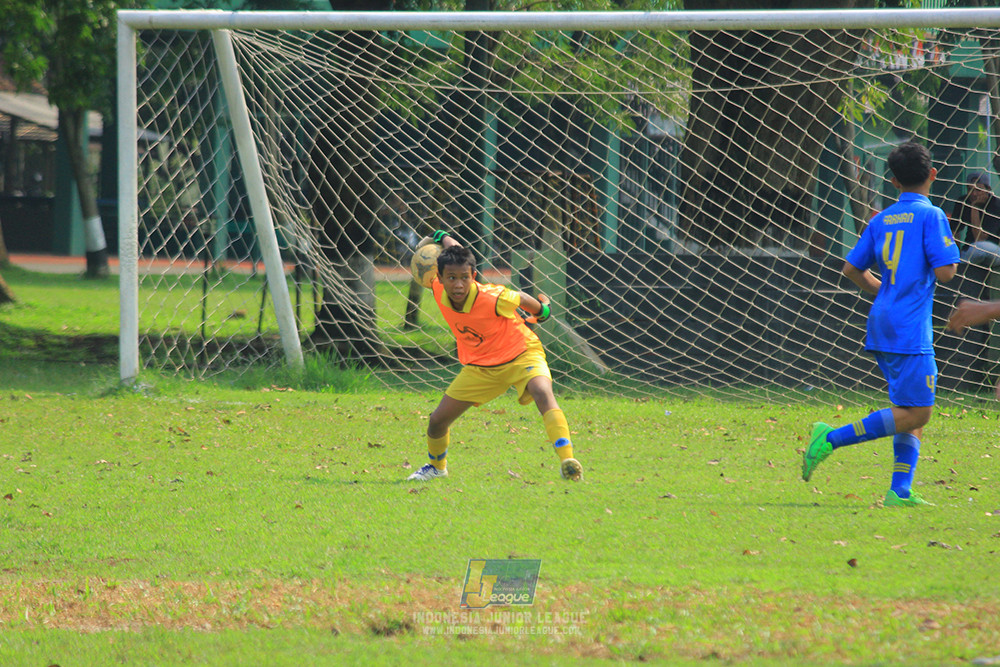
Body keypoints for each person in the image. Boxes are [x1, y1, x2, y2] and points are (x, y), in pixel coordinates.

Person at [801, 142, 959, 507]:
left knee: (909, 408)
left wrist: (885, 290)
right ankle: (831, 438)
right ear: (933, 175)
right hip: (909, 328)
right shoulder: (932, 214)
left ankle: (900, 490)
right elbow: (946, 272)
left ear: (893, 181)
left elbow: (851, 269)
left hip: (882, 319)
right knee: (919, 411)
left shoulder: (881, 219)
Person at [406, 230, 583, 483]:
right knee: (437, 421)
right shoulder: (436, 288)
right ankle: (437, 468)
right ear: (440, 278)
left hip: (522, 354)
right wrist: (442, 236)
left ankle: (568, 460)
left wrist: (542, 311)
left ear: (473, 276)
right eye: (451, 278)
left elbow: (521, 298)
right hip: (481, 368)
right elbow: (457, 251)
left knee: (542, 392)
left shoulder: (492, 296)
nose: (458, 284)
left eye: (465, 278)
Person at [949, 170, 1000, 269]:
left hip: (994, 251)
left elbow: (980, 239)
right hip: (971, 251)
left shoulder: (996, 204)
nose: (974, 194)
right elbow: (953, 231)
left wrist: (974, 208)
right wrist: (956, 253)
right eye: (970, 189)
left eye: (978, 190)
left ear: (988, 190)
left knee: (981, 248)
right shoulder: (963, 201)